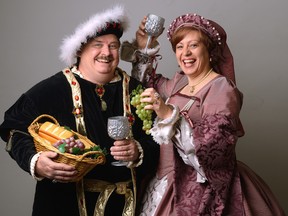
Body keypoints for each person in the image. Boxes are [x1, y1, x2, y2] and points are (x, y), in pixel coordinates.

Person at [0, 5, 160, 216]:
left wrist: (139, 150)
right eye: (98, 45)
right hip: (63, 205)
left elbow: (161, 142)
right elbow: (13, 128)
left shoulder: (137, 91)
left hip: (124, 208)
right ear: (80, 50)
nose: (107, 52)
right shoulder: (53, 89)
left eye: (113, 46)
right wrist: (35, 162)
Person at [121, 13, 286, 215]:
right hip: (163, 182)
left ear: (209, 51)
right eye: (180, 46)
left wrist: (167, 115)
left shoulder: (222, 89)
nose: (186, 53)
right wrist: (144, 45)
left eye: (194, 45)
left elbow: (211, 148)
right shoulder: (179, 82)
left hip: (201, 187)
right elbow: (144, 85)